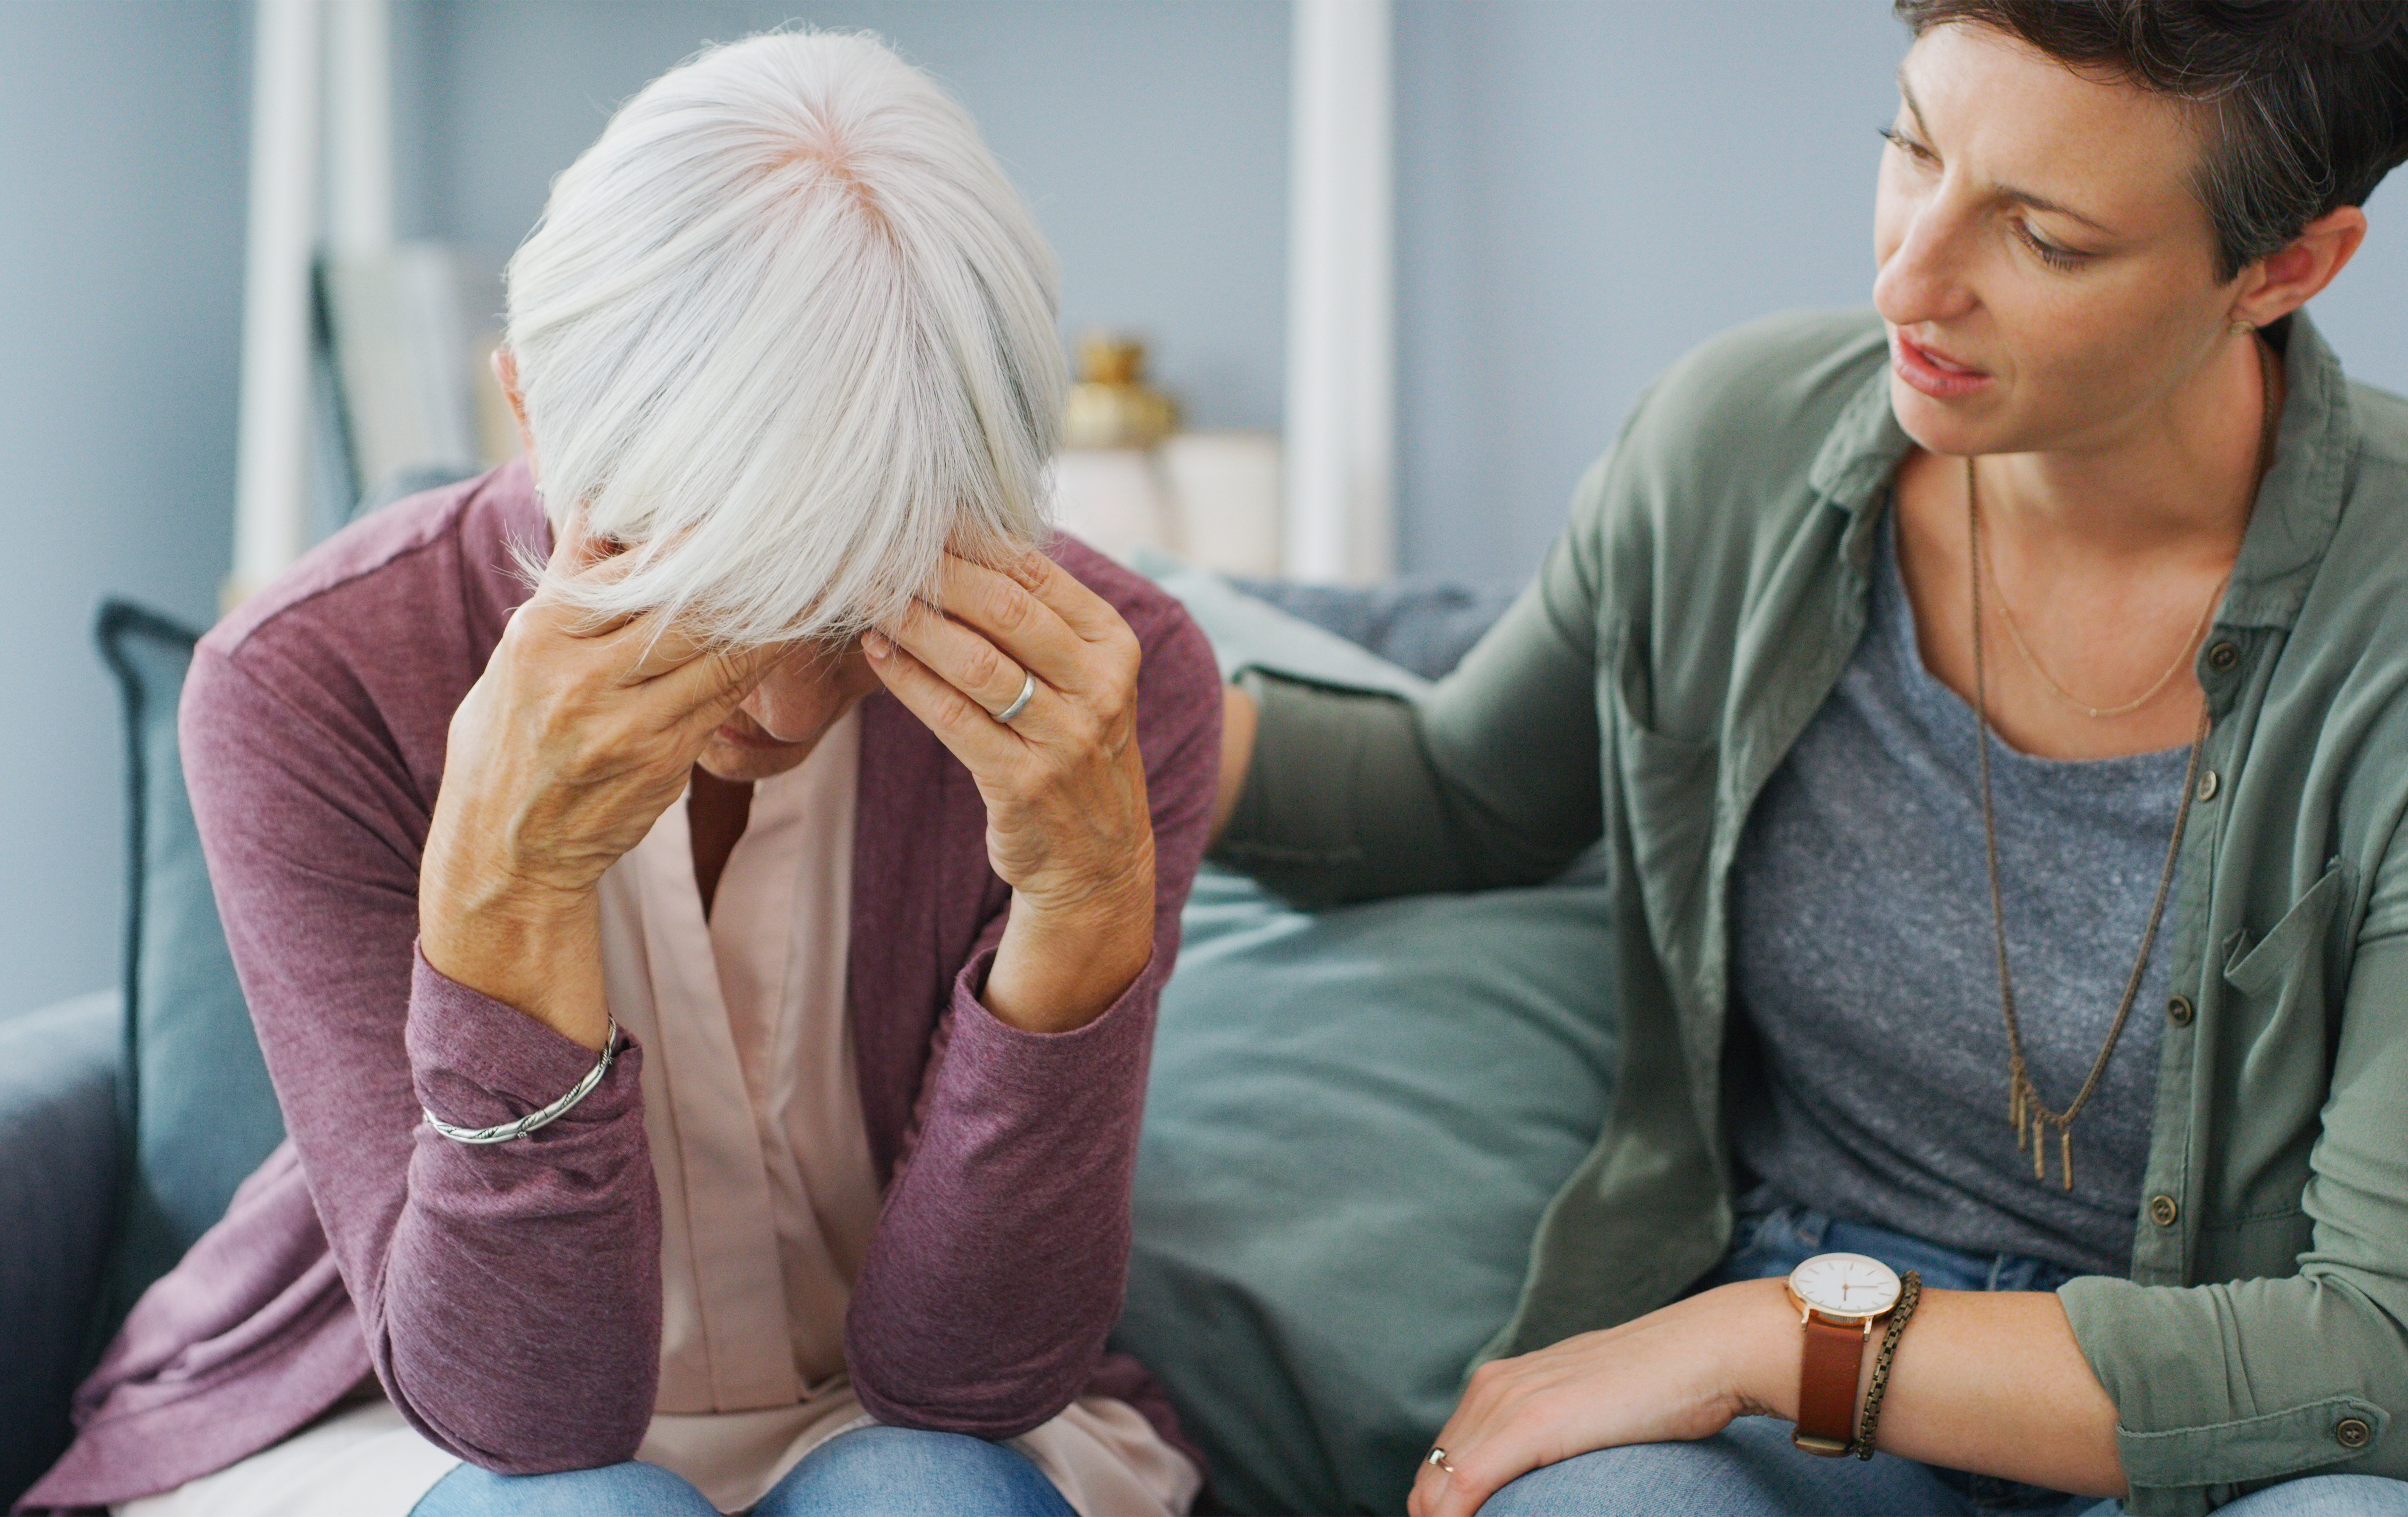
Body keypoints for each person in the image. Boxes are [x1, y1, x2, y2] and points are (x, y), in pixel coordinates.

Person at [1213, 3, 2408, 1515]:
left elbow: (2374, 1349)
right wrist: (1076, 688)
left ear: (2283, 269)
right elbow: (1456, 799)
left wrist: (1779, 1340)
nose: (1906, 278)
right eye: (1910, 149)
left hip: (2220, 1414)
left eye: (2042, 239)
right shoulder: (1735, 444)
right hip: (1785, 1382)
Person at [22, 30, 1218, 1517]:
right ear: (531, 413)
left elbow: (963, 1386)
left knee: (930, 1495)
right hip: (408, 1415)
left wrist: (1086, 910)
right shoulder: (308, 678)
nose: (781, 702)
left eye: (860, 594)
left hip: (922, 1422)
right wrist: (506, 891)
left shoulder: (1112, 689)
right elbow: (518, 1412)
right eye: (708, 584)